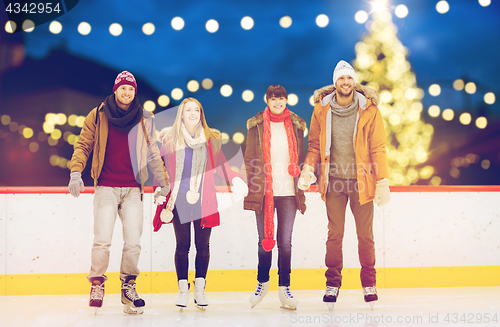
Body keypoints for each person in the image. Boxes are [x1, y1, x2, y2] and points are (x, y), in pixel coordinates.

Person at [68, 71, 170, 314]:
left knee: (133, 242)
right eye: (123, 88)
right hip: (106, 186)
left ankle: (128, 287)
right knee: (102, 240)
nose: (127, 93)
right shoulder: (99, 114)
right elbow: (84, 144)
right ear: (116, 90)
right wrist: (75, 171)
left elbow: (153, 152)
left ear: (135, 92)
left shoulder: (145, 118)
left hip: (134, 188)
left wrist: (163, 182)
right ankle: (97, 284)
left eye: (131, 89)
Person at [298, 60, 391, 308]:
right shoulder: (321, 109)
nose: (346, 83)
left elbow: (378, 148)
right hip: (335, 181)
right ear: (335, 82)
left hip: (362, 182)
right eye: (341, 79)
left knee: (365, 236)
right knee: (335, 235)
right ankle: (332, 283)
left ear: (354, 81)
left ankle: (369, 283)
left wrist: (382, 181)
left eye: (349, 78)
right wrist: (308, 168)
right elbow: (315, 146)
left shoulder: (370, 110)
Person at [152, 97, 248, 309]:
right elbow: (160, 169)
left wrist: (236, 179)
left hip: (203, 200)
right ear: (182, 115)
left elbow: (222, 166)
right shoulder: (170, 141)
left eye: (197, 110)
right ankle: (183, 289)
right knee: (183, 246)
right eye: (189, 110)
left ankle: (200, 288)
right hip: (178, 202)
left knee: (202, 247)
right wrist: (158, 189)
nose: (193, 113)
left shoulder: (210, 140)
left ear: (201, 114)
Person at [243, 85, 307, 310]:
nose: (278, 103)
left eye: (281, 99)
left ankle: (285, 289)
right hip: (264, 192)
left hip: (289, 192)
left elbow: (303, 156)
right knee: (264, 241)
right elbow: (250, 156)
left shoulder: (297, 125)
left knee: (285, 243)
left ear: (286, 100)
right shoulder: (256, 125)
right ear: (267, 101)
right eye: (274, 99)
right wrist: (252, 185)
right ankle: (262, 282)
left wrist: (306, 177)